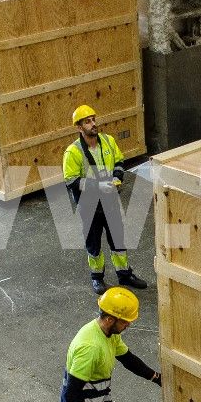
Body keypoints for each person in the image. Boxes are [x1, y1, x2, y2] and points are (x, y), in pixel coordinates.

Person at [62, 105, 148, 295]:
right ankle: (97, 278)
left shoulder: (108, 141)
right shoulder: (73, 152)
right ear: (79, 127)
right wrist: (97, 186)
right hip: (89, 205)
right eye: (87, 121)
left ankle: (124, 274)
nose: (93, 124)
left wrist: (118, 176)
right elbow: (71, 181)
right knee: (93, 243)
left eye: (93, 119)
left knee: (117, 239)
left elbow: (119, 160)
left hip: (109, 201)